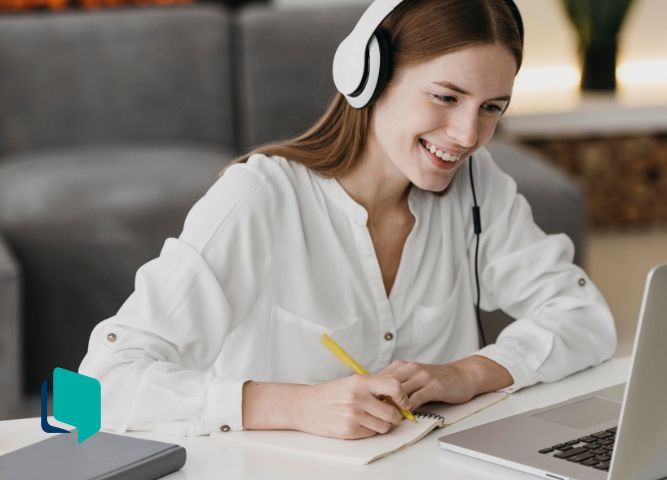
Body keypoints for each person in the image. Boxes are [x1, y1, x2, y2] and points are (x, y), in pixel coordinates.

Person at [79, 0, 616, 441]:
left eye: (491, 108)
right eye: (446, 97)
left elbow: (584, 318)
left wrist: (468, 372)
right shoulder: (259, 197)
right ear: (369, 77)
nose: (467, 136)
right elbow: (100, 387)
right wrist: (295, 405)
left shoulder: (479, 186)